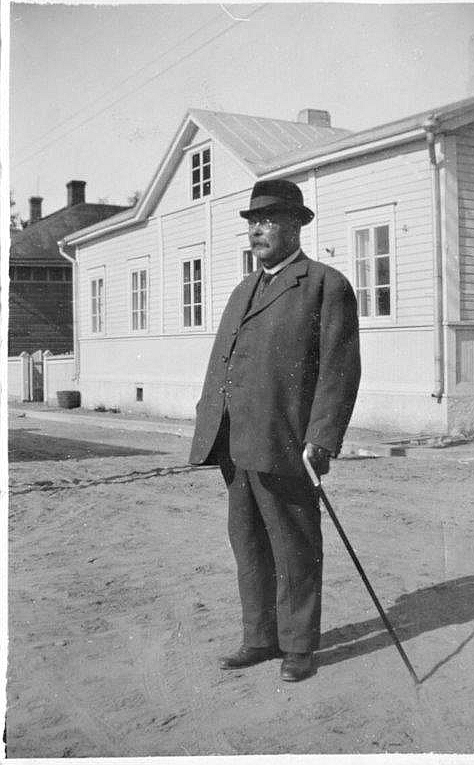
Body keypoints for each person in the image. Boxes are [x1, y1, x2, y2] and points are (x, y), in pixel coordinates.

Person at [189, 178, 361, 682]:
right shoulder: (243, 289)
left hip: (285, 441)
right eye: (252, 222)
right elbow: (223, 363)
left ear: (295, 226)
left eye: (268, 221)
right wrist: (209, 421)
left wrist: (322, 438)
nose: (257, 231)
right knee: (248, 543)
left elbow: (339, 370)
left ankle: (299, 646)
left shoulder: (325, 285)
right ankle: (260, 637)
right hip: (235, 442)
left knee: (294, 544)